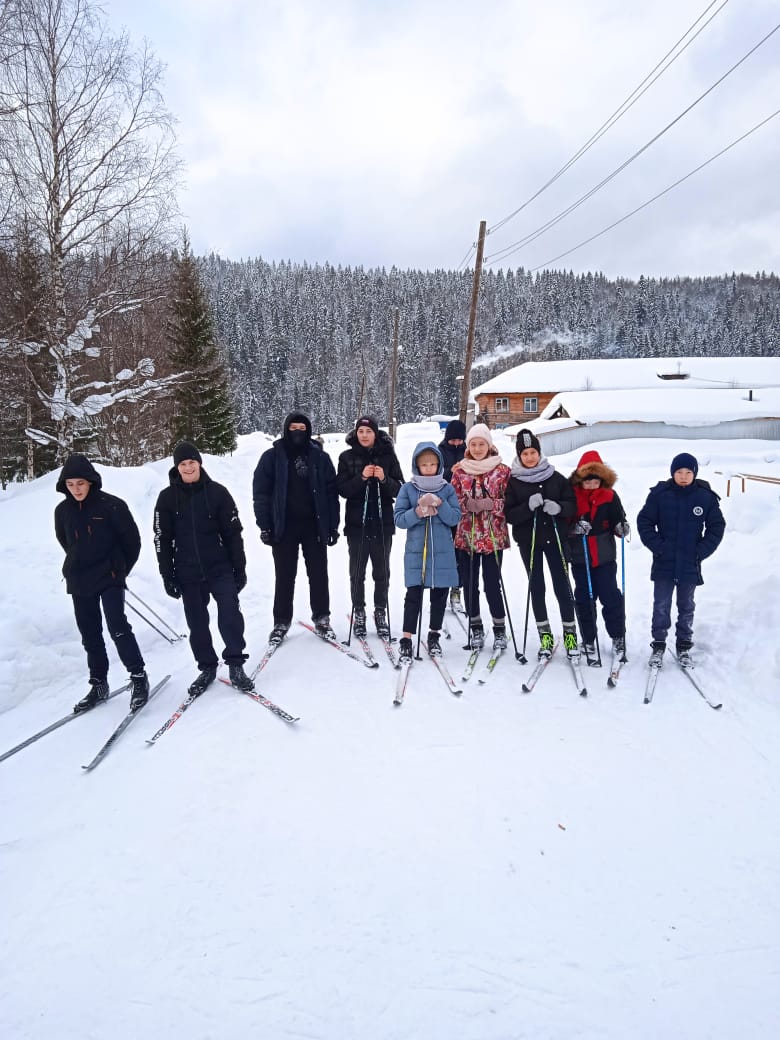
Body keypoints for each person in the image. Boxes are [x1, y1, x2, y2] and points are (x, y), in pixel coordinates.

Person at [154, 442, 253, 695]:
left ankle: (235, 664)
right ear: (177, 467)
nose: (188, 468)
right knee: (197, 623)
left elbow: (233, 534)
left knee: (230, 614)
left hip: (219, 567)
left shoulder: (218, 493)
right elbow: (162, 538)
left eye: (192, 462)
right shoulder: (166, 498)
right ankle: (207, 666)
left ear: (199, 463)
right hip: (187, 571)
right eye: (183, 464)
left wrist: (239, 568)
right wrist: (167, 574)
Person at [54, 454, 150, 714]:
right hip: (79, 578)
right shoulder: (62, 511)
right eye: (70, 484)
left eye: (80, 483)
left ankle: (138, 676)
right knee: (90, 632)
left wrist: (119, 570)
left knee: (117, 625)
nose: (76, 489)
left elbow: (132, 542)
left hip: (110, 576)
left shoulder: (112, 505)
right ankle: (99, 683)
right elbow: (65, 541)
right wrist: (77, 561)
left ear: (91, 481)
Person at [252, 412, 340, 644]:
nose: (298, 432)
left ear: (308, 431)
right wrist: (265, 525)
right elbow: (261, 494)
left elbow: (331, 494)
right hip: (284, 526)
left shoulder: (320, 457)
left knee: (318, 574)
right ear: (286, 429)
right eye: (293, 428)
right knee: (284, 576)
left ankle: (322, 618)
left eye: (302, 428)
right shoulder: (272, 457)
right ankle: (281, 621)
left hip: (314, 525)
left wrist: (332, 525)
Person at [637, 451, 725, 667]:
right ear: (672, 473)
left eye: (688, 472)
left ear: (695, 474)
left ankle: (684, 645)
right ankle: (658, 644)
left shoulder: (705, 497)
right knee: (661, 605)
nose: (683, 476)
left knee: (686, 605)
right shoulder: (660, 495)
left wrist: (701, 550)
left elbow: (716, 526)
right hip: (664, 561)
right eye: (679, 472)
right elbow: (644, 521)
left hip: (689, 562)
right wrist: (659, 547)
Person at [505, 429, 578, 659]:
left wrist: (559, 508)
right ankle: (545, 636)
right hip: (530, 542)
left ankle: (570, 636)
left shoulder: (555, 477)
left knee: (562, 586)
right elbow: (509, 515)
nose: (529, 457)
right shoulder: (514, 482)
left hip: (556, 539)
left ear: (539, 452)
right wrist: (527, 507)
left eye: (533, 452)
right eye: (525, 453)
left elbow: (572, 505)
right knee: (537, 587)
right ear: (519, 455)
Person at [336, 415, 404, 639]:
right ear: (356, 433)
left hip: (383, 523)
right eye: (360, 431)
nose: (364, 435)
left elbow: (400, 489)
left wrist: (384, 479)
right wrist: (361, 477)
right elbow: (342, 490)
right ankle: (359, 611)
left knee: (382, 572)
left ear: (376, 433)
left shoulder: (388, 456)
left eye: (368, 431)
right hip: (357, 524)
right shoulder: (346, 457)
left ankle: (380, 611)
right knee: (357, 572)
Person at [393, 443, 461, 659]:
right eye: (424, 465)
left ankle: (434, 636)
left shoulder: (447, 489)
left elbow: (454, 518)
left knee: (439, 596)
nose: (429, 468)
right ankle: (406, 638)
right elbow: (399, 519)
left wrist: (440, 504)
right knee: (413, 595)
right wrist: (419, 511)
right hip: (416, 553)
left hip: (442, 553)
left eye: (433, 464)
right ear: (417, 466)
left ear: (439, 465)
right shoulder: (408, 488)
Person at [449, 424, 512, 652]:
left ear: (489, 445)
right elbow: (452, 500)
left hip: (493, 537)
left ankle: (499, 628)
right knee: (469, 584)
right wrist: (466, 505)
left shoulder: (502, 471)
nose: (477, 449)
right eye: (473, 444)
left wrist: (492, 504)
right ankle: (475, 627)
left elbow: (511, 502)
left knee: (492, 584)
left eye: (481, 444)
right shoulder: (459, 471)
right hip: (467, 536)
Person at [568, 450, 630, 663]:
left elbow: (618, 519)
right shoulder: (572, 496)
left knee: (610, 597)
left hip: (604, 557)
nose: (592, 485)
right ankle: (588, 638)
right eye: (588, 482)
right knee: (584, 599)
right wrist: (574, 528)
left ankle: (618, 636)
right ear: (580, 480)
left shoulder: (610, 496)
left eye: (596, 481)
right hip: (580, 557)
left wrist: (621, 527)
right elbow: (563, 523)